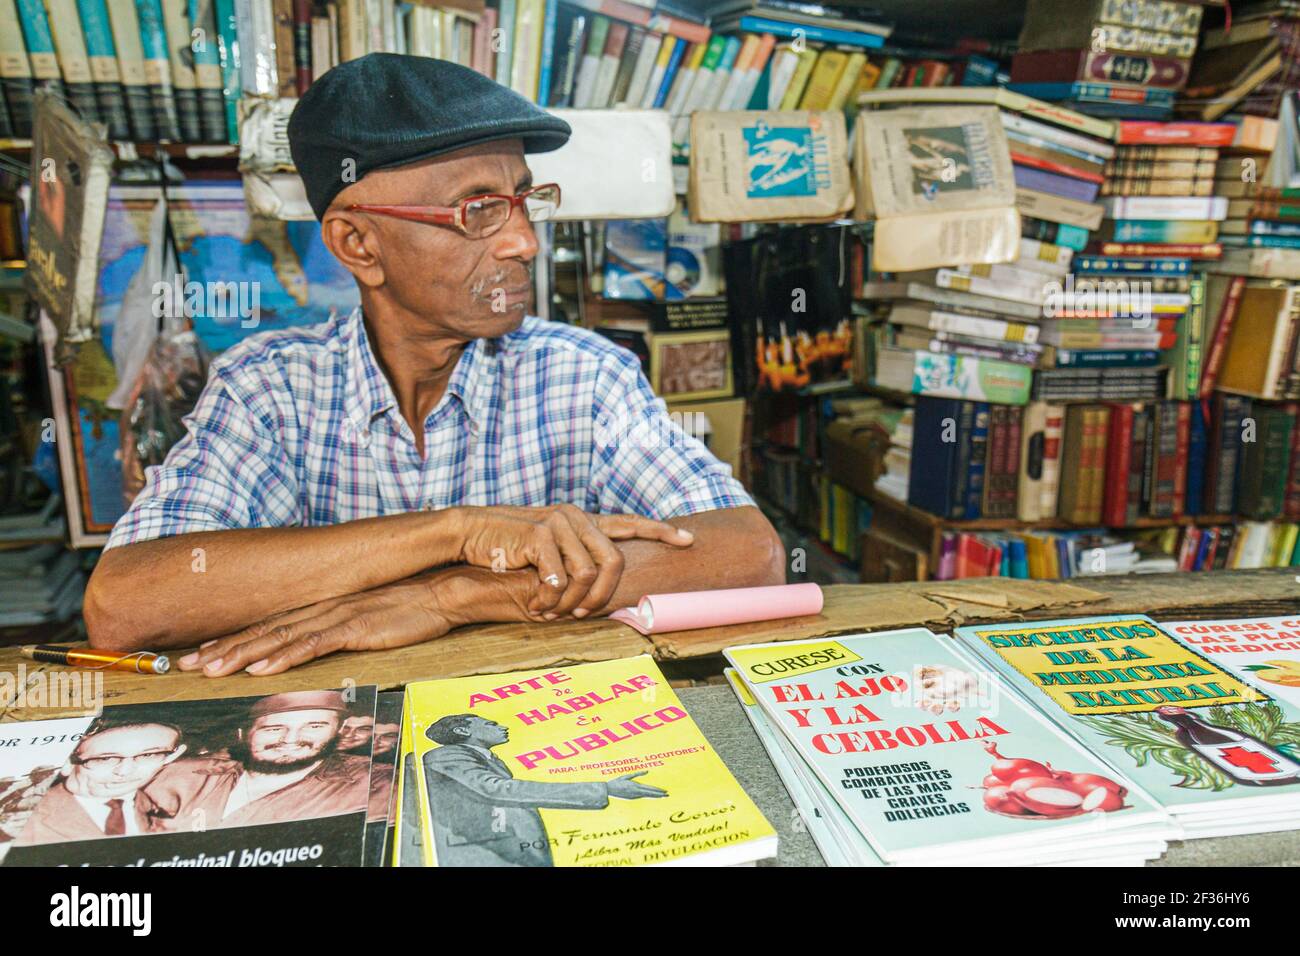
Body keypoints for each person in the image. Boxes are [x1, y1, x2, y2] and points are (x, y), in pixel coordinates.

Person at [83, 54, 784, 676]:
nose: (523, 243)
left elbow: (750, 556)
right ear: (358, 244)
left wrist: (454, 594)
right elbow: (127, 605)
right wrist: (460, 531)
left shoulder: (582, 376)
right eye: (478, 210)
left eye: (524, 201)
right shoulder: (270, 387)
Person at [421, 713, 665, 866]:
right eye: (490, 723)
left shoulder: (486, 757)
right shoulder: (446, 755)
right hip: (485, 853)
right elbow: (496, 789)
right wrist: (604, 788)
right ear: (462, 730)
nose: (503, 726)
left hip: (515, 851)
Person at [145, 691, 369, 829]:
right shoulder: (177, 775)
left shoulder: (371, 785)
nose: (290, 740)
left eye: (315, 726)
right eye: (273, 729)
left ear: (339, 730)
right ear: (243, 734)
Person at [15, 719, 185, 845]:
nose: (124, 772)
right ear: (67, 763)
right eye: (105, 758)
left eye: (148, 755)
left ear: (172, 757)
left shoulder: (167, 807)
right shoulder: (22, 820)